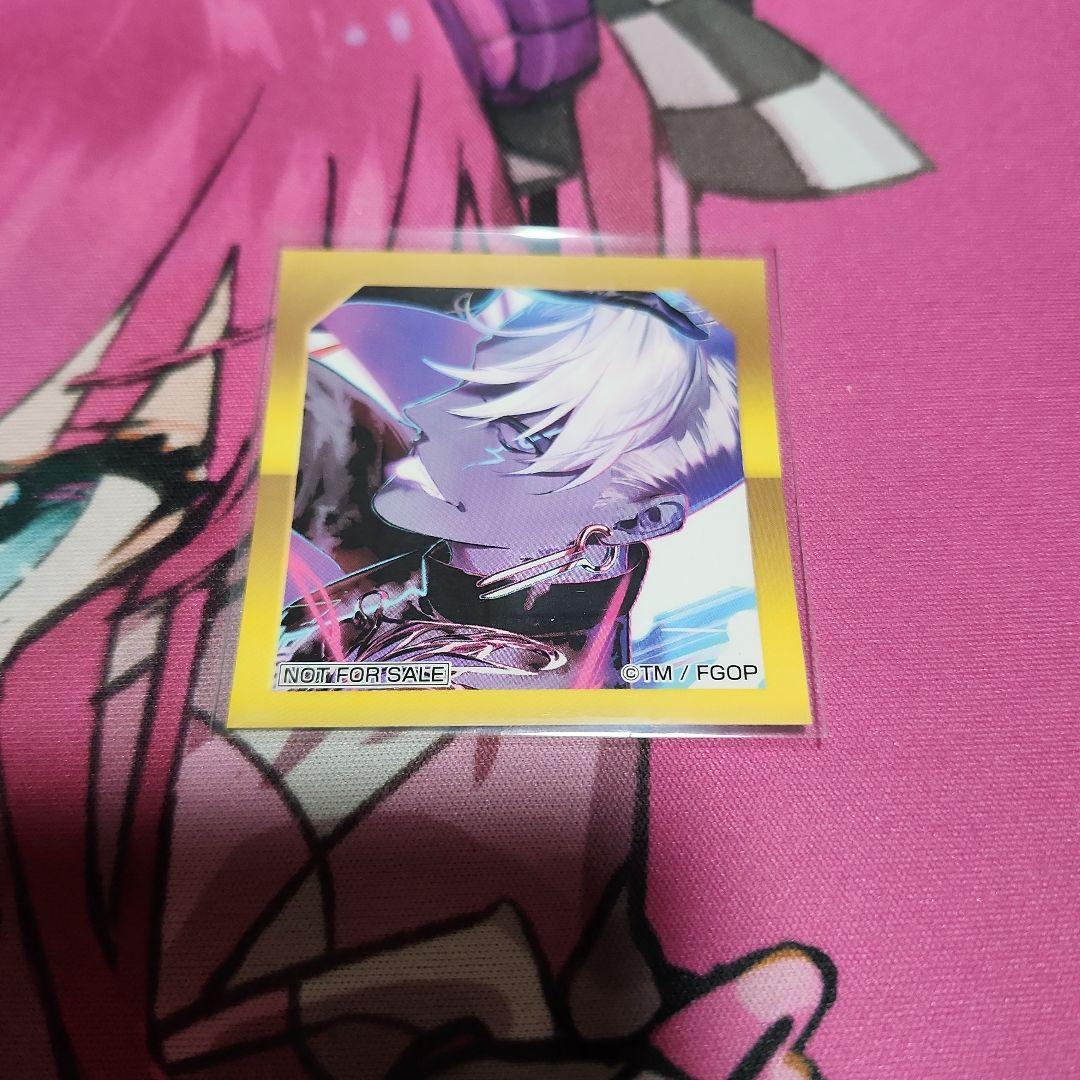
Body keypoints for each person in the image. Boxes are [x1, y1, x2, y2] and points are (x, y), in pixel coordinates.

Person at [284, 290, 743, 688]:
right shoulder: (412, 589)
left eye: (518, 433)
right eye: (470, 386)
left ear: (641, 517)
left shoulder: (501, 689)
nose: (425, 414)